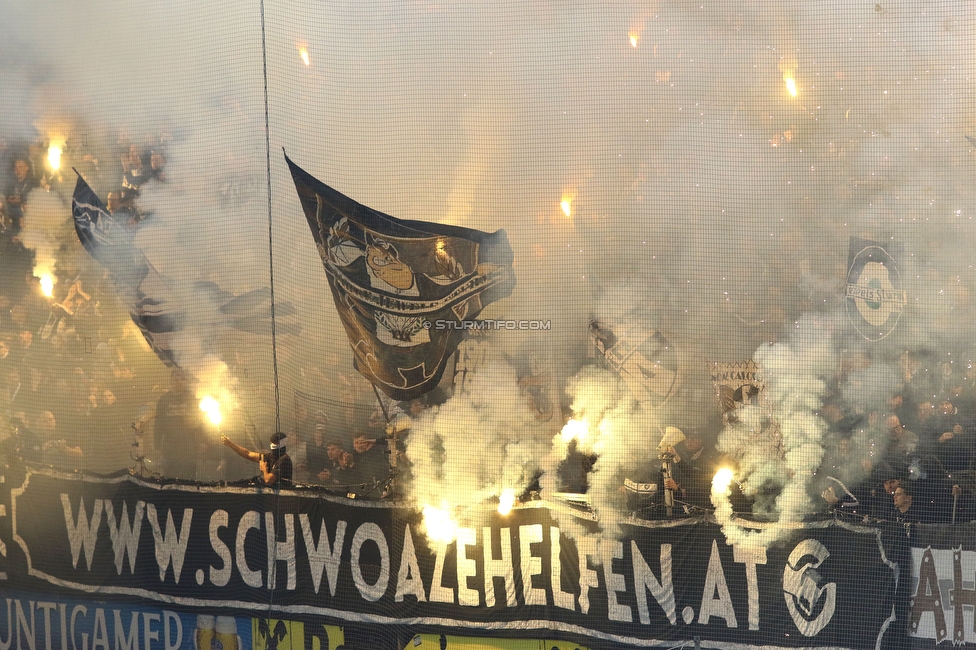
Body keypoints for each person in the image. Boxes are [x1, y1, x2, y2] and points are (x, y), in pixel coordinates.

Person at [221, 431, 293, 486]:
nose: (272, 445)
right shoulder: (269, 457)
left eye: (275, 443)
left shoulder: (284, 460)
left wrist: (264, 469)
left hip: (281, 498)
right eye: (272, 442)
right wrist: (231, 444)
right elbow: (247, 454)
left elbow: (268, 481)